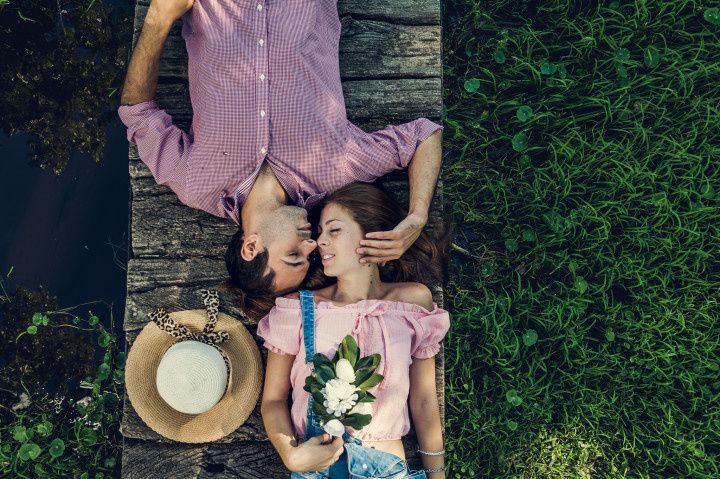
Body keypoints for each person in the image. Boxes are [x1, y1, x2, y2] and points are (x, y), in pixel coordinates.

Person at [118, 0, 444, 299]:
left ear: (251, 246)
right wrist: (417, 216)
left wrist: (159, 18)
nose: (312, 243)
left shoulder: (195, 184)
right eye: (310, 255)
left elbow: (137, 113)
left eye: (294, 254)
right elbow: (423, 137)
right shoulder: (336, 169)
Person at [257, 183, 449, 478]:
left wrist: (437, 475)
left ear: (374, 237)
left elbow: (423, 400)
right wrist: (291, 456)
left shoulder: (413, 303)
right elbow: (273, 399)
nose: (320, 242)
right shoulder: (298, 309)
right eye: (320, 232)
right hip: (317, 468)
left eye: (334, 231)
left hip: (386, 470)